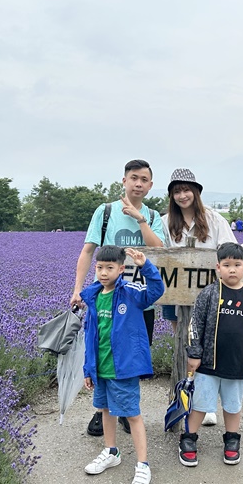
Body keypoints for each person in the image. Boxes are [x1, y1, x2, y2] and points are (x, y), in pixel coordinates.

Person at [161, 168, 243, 427]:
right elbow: (159, 250)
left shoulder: (213, 219)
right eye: (177, 191)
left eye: (187, 190)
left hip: (211, 296)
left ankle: (205, 405)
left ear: (196, 192)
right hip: (178, 294)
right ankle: (185, 400)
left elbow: (228, 246)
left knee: (208, 344)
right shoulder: (166, 221)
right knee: (183, 344)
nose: (182, 195)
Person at [71, 159, 165, 437]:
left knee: (132, 357)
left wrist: (140, 218)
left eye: (144, 179)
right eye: (133, 178)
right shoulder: (105, 211)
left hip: (138, 301)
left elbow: (157, 248)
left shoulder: (153, 215)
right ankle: (102, 412)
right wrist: (77, 288)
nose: (138, 183)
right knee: (102, 352)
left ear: (150, 185)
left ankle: (126, 410)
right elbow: (88, 251)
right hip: (106, 297)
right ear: (123, 181)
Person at [179, 242, 243, 467]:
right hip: (209, 364)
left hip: (238, 364)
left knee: (233, 406)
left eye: (236, 265)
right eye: (226, 265)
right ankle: (188, 438)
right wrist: (194, 353)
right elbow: (195, 324)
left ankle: (232, 440)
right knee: (201, 404)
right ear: (218, 268)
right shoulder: (210, 294)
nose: (231, 269)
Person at [81, 246, 164, 484]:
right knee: (105, 409)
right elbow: (90, 336)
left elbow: (156, 291)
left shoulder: (130, 291)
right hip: (101, 368)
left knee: (132, 414)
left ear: (120, 269)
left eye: (109, 268)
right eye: (99, 268)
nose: (103, 273)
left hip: (123, 369)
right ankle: (111, 451)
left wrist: (145, 265)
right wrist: (88, 368)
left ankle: (143, 465)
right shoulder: (93, 295)